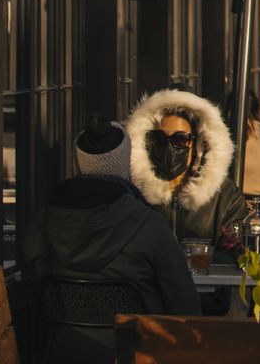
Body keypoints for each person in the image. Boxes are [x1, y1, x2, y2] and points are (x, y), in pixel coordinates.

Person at [21, 118, 202, 361]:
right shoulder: (148, 224)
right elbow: (185, 305)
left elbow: (31, 294)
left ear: (79, 163)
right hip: (137, 352)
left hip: (60, 351)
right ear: (124, 162)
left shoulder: (41, 223)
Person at [126, 88, 251, 246]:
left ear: (198, 144)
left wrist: (228, 246)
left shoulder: (224, 197)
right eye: (158, 138)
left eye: (180, 139)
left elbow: (239, 252)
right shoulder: (132, 193)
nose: (169, 147)